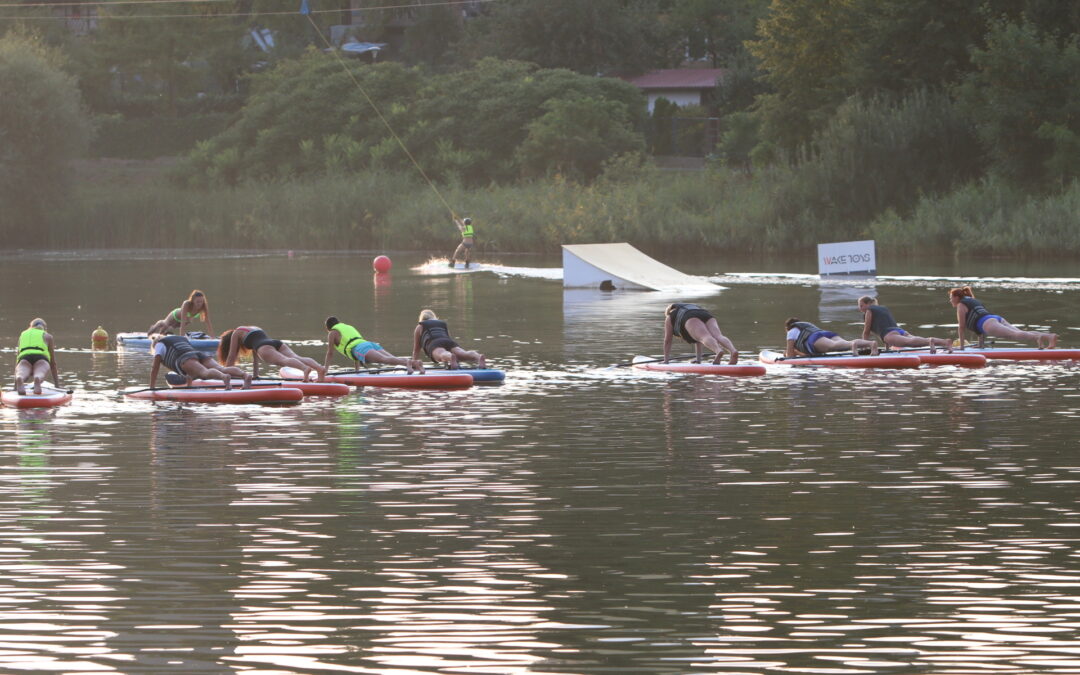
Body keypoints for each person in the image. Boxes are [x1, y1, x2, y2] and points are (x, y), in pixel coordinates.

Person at [949, 286, 1057, 349]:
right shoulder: (971, 300)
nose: (950, 301)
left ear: (957, 297)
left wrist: (961, 347)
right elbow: (978, 323)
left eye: (951, 298)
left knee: (1015, 335)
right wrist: (980, 345)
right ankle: (1049, 337)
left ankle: (1037, 338)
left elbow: (961, 327)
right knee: (1018, 332)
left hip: (988, 323)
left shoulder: (961, 305)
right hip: (995, 318)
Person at [218, 326, 326, 381]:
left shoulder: (236, 333)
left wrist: (227, 374)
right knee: (296, 357)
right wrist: (256, 376)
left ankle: (305, 369)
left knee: (284, 361)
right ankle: (319, 368)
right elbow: (255, 359)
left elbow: (231, 356)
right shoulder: (252, 329)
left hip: (264, 348)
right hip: (275, 342)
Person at [324, 317, 423, 374]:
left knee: (384, 360)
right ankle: (415, 363)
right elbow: (354, 352)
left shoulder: (332, 332)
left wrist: (325, 370)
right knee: (391, 358)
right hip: (369, 344)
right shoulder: (348, 327)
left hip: (361, 348)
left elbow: (330, 353)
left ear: (328, 328)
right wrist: (357, 371)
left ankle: (408, 362)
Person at [150, 334, 251, 389]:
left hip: (185, 358)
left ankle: (224, 377)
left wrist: (152, 388)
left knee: (204, 373)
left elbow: (155, 368)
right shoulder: (178, 338)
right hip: (198, 354)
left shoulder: (159, 345)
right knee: (221, 368)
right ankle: (245, 375)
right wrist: (189, 388)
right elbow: (189, 374)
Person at [858, 296, 952, 352]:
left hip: (889, 334)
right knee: (914, 339)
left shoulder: (869, 310)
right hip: (899, 330)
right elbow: (884, 325)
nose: (860, 308)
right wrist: (887, 350)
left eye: (861, 305)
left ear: (868, 304)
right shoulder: (883, 308)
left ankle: (929, 341)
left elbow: (866, 332)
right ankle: (944, 342)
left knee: (910, 342)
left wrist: (864, 348)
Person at [663, 303, 738, 365]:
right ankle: (733, 350)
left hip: (689, 316)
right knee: (718, 336)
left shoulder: (670, 316)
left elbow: (667, 341)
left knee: (704, 337)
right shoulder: (690, 307)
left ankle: (718, 351)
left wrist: (666, 361)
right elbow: (697, 341)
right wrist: (698, 360)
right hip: (705, 314)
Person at [412, 309, 486, 369]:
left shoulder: (420, 326)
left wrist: (414, 365)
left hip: (434, 343)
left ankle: (450, 357)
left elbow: (416, 350)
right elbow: (448, 338)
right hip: (449, 341)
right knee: (463, 353)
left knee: (442, 354)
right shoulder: (442, 324)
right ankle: (478, 357)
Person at [785, 317, 879, 357]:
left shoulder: (791, 331)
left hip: (814, 338)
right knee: (844, 344)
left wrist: (791, 353)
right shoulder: (804, 326)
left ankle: (852, 345)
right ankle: (870, 344)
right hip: (825, 333)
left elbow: (790, 355)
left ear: (787, 327)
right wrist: (798, 352)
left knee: (834, 346)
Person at [14, 318, 61, 395]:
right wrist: (57, 386)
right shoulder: (47, 336)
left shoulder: (23, 335)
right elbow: (53, 364)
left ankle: (20, 378)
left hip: (24, 358)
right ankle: (38, 378)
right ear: (45, 328)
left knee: (22, 371)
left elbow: (17, 364)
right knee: (40, 371)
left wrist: (15, 387)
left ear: (30, 326)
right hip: (41, 358)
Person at [147, 290, 213, 337]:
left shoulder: (204, 306)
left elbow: (208, 323)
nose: (200, 304)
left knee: (168, 330)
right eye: (197, 302)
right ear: (193, 300)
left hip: (185, 321)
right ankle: (155, 327)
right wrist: (182, 338)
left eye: (201, 301)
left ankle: (162, 333)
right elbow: (182, 324)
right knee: (165, 325)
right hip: (175, 316)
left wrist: (212, 337)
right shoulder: (186, 304)